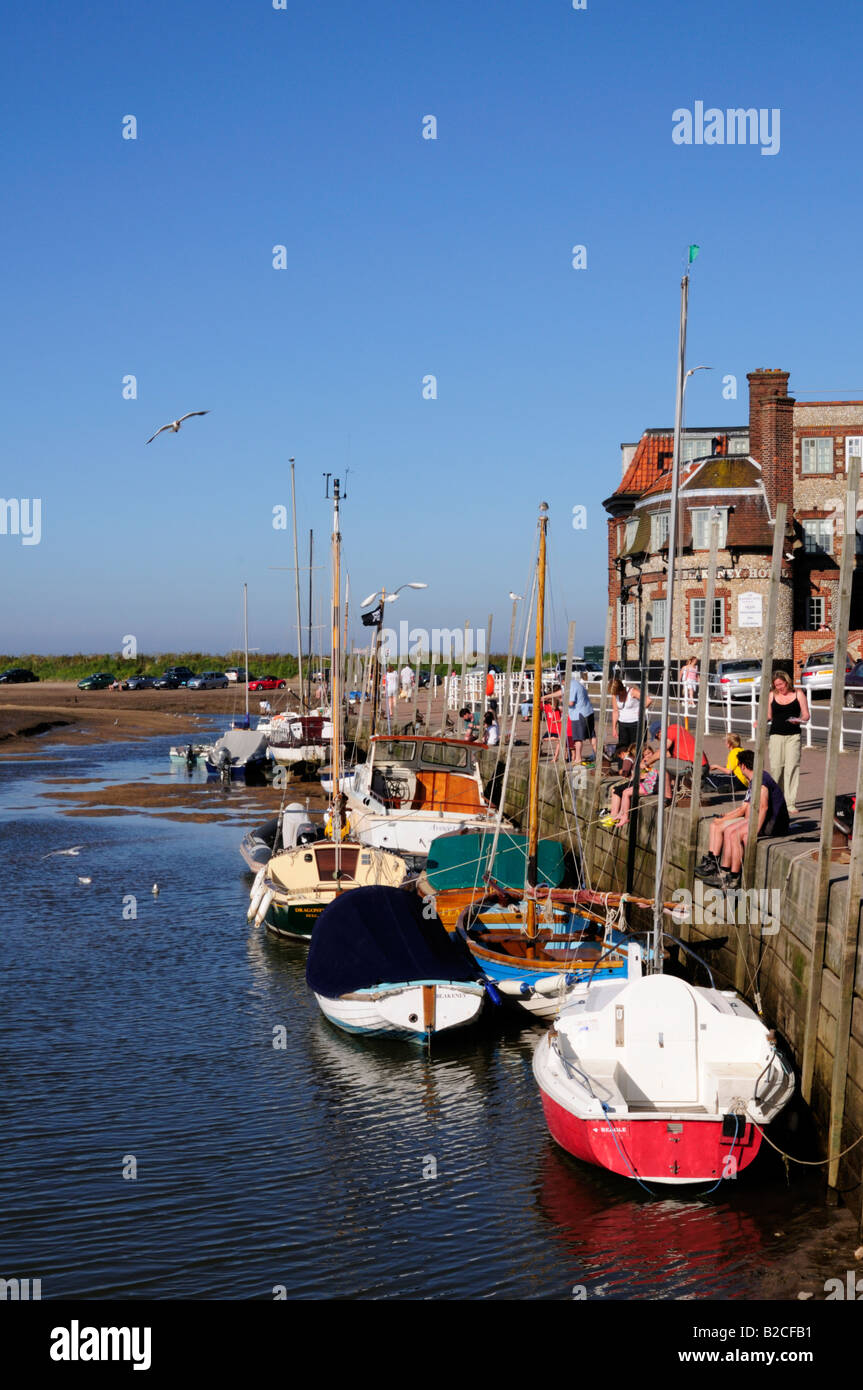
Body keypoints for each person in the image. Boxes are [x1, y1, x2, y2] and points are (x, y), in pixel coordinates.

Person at [695, 749, 790, 888]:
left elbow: (763, 807)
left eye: (739, 765)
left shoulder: (761, 782)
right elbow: (745, 807)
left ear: (743, 766)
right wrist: (726, 817)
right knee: (729, 831)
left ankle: (733, 878)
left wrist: (753, 832)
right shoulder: (754, 779)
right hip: (765, 820)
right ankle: (723, 873)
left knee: (733, 833)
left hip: (773, 824)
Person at [767, 670, 808, 816]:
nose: (779, 687)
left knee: (792, 768)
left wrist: (799, 720)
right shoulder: (772, 695)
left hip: (793, 736)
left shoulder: (798, 693)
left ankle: (790, 803)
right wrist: (759, 721)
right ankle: (776, 800)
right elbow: (768, 715)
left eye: (781, 684)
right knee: (777, 769)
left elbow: (806, 714)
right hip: (776, 736)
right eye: (776, 685)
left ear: (787, 681)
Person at [568, 672, 597, 765]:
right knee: (591, 735)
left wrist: (562, 701)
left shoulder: (571, 686)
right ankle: (598, 755)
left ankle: (578, 758)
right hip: (589, 712)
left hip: (579, 715)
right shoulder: (576, 684)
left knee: (577, 738)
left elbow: (571, 703)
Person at [617, 682, 652, 752]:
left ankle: (638, 761)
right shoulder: (615, 695)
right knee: (623, 747)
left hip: (636, 723)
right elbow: (615, 710)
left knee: (636, 746)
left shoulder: (632, 691)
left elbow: (648, 700)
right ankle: (625, 762)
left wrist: (641, 709)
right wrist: (614, 727)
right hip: (622, 723)